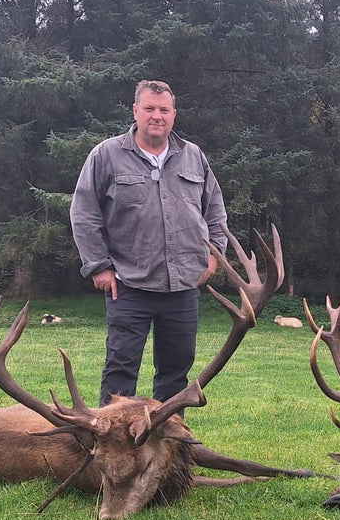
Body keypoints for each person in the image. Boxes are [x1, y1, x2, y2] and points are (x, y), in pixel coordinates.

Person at [70, 79, 228, 407]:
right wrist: (99, 266)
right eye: (149, 109)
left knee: (175, 372)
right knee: (120, 370)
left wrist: (216, 253)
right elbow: (84, 213)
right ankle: (113, 446)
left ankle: (167, 445)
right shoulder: (107, 154)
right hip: (128, 285)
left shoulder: (192, 156)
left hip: (183, 286)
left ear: (174, 114)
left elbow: (214, 207)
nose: (157, 116)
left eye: (164, 110)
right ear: (135, 111)